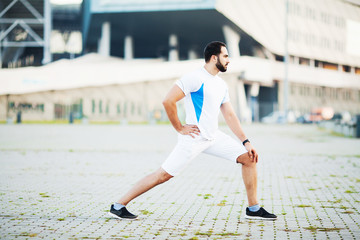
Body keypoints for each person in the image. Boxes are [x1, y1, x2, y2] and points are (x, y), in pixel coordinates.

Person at [108, 41, 277, 221]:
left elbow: (230, 115)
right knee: (163, 175)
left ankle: (253, 208)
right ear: (214, 57)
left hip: (214, 137)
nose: (228, 60)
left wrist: (246, 142)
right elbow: (168, 101)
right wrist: (179, 127)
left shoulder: (221, 84)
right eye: (225, 56)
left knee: (249, 158)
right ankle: (119, 205)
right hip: (194, 138)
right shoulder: (195, 78)